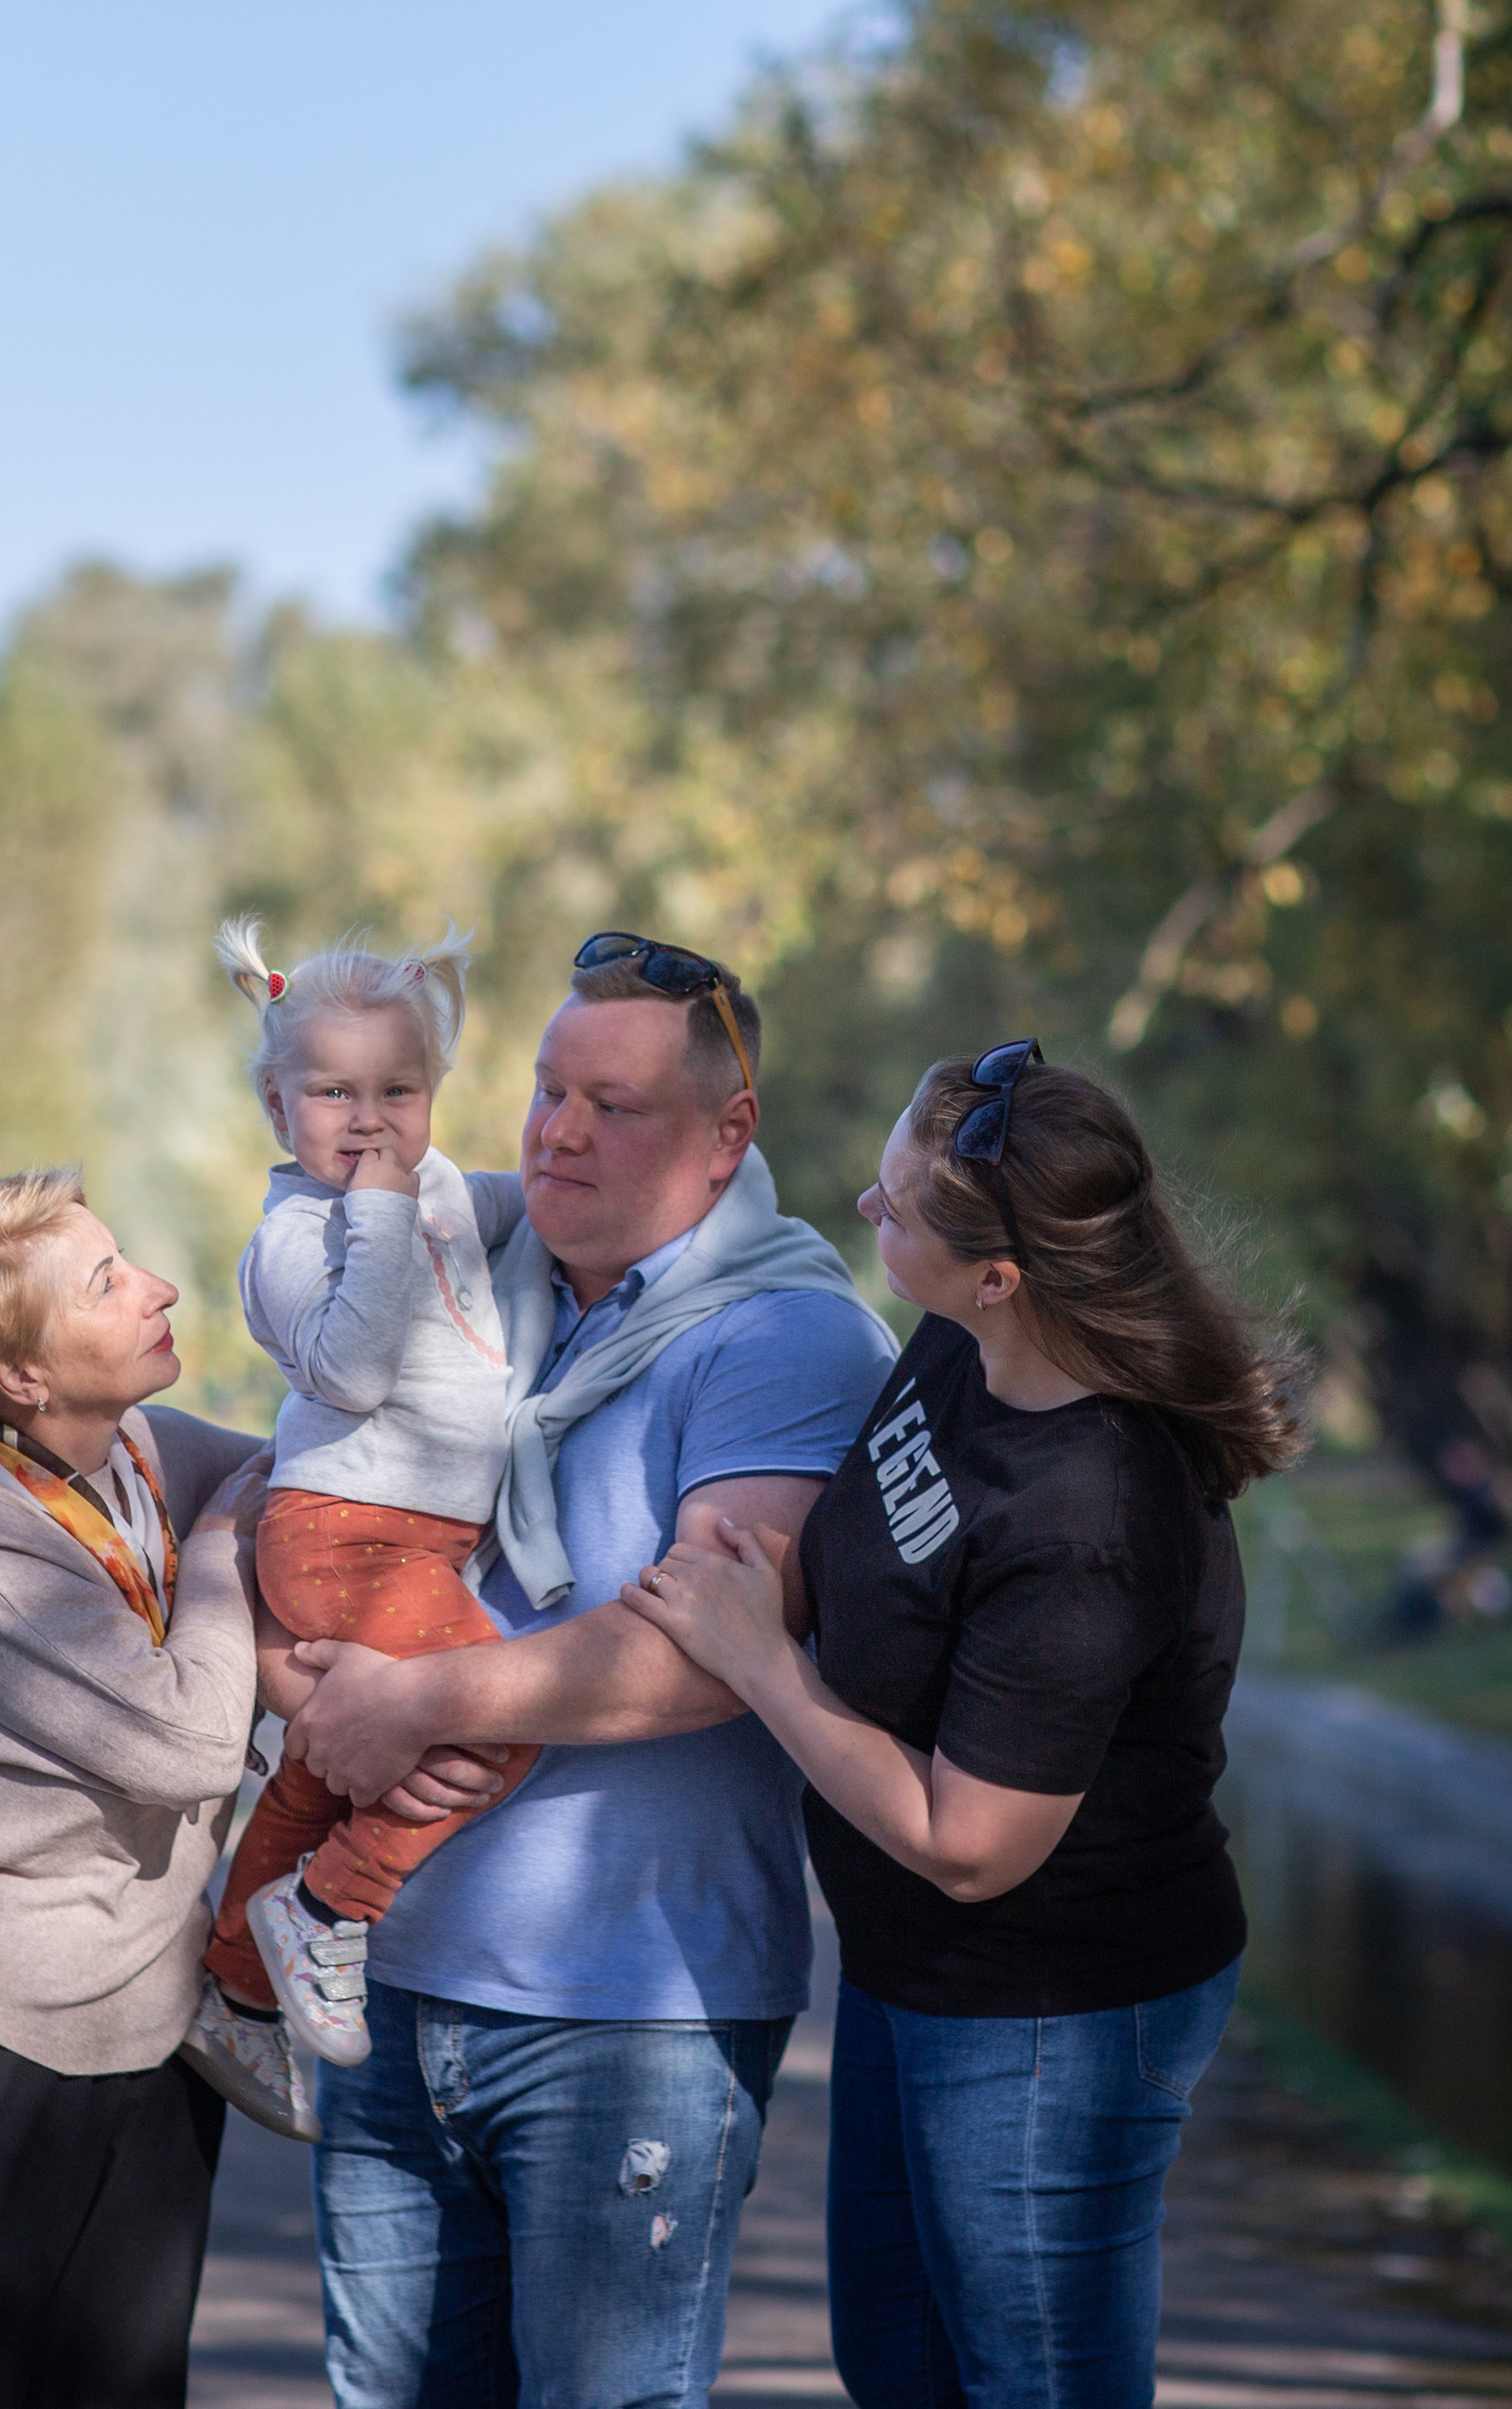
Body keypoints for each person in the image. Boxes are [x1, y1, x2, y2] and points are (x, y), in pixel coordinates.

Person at [623, 1046, 1304, 2409]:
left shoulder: (1093, 1510)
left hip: (1054, 2011)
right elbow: (871, 1548)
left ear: (1003, 1272)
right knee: (897, 2361)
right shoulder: (962, 1348)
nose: (868, 1216)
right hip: (913, 1971)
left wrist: (761, 1660)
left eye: (896, 1209)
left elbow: (971, 1839)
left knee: (1032, 2383)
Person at [273, 932, 899, 2409]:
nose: (557, 1130)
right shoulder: (474, 1283)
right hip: (388, 1990)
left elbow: (695, 1659)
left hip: (631, 2016)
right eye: (548, 1090)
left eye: (612, 1107)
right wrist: (308, 1688)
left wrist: (414, 1700)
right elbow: (308, 1504)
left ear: (726, 1133)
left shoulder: (786, 1337)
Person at [0, 1167, 267, 2409]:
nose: (159, 1288)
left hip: (152, 2026)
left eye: (125, 1259)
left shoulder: (145, 1450)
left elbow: (324, 1499)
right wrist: (232, 1545)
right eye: (106, 1280)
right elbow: (188, 1739)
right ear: (22, 1378)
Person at [199, 916, 534, 2089]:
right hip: (346, 1531)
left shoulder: (434, 1185)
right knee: (514, 1703)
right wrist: (381, 1216)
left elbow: (527, 1205)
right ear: (276, 1110)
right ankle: (332, 1905)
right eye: (333, 1091)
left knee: (326, 1764)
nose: (369, 1117)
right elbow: (352, 1370)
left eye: (399, 1088)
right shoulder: (291, 1237)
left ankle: (237, 1972)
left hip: (423, 1538)